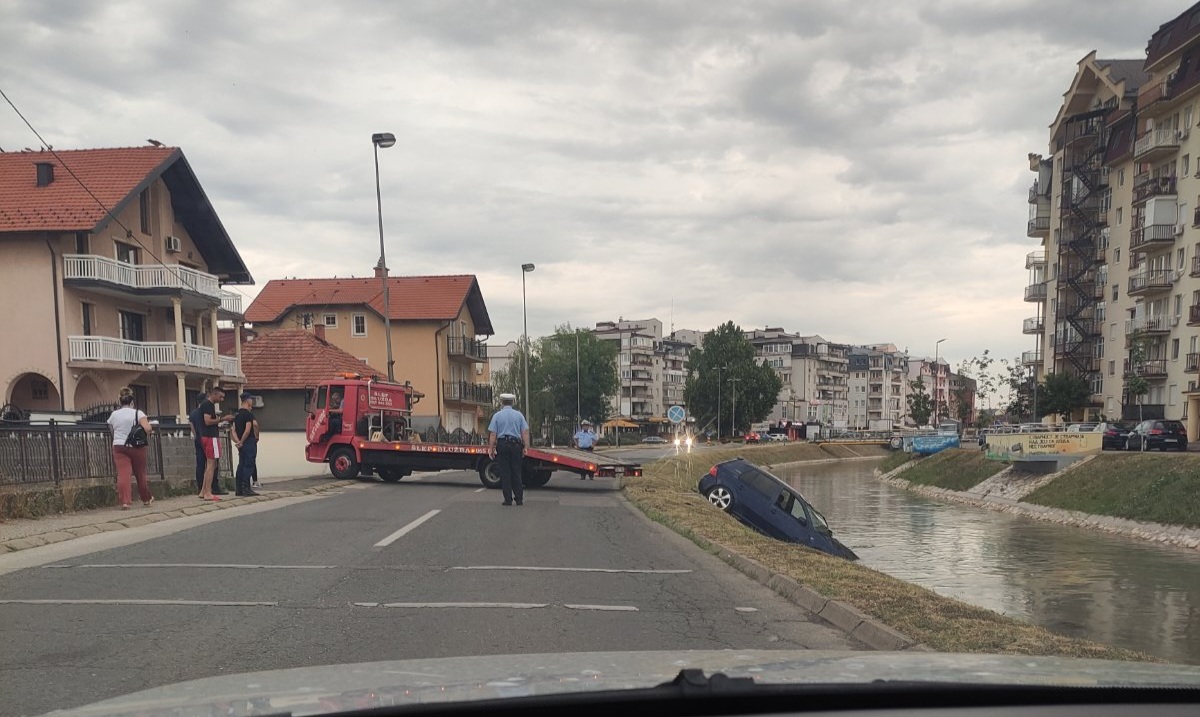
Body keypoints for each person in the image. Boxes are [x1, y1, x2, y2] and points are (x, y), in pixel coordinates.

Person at [107, 387, 155, 510]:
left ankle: (125, 501)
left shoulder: (114, 414)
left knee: (123, 474)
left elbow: (111, 428)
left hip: (119, 446)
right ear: (132, 401)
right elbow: (148, 428)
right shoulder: (138, 413)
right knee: (140, 473)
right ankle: (146, 499)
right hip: (136, 446)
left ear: (120, 401)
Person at [487, 393, 530, 506]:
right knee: (516, 472)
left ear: (502, 402)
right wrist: (526, 447)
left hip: (502, 445)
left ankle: (508, 499)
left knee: (505, 472)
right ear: (513, 402)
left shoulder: (497, 415)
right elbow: (524, 432)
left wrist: (491, 449)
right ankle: (519, 499)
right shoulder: (519, 415)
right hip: (516, 445)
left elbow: (493, 434)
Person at [197, 386, 231, 501]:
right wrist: (222, 419)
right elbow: (207, 421)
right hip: (211, 437)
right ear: (214, 394)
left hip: (206, 436)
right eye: (220, 397)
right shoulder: (207, 405)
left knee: (209, 464)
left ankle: (203, 491)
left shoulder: (207, 405)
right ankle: (208, 492)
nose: (222, 399)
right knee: (212, 464)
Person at [232, 392, 261, 497]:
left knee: (241, 464)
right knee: (248, 465)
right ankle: (246, 488)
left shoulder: (237, 415)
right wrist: (243, 441)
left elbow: (233, 430)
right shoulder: (248, 415)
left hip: (241, 443)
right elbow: (248, 430)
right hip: (248, 442)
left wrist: (238, 441)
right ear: (247, 401)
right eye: (251, 400)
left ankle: (238, 489)